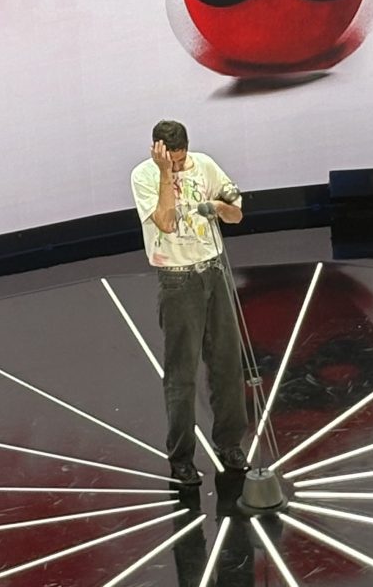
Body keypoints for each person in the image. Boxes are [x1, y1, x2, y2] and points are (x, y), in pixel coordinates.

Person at [129, 120, 248, 486]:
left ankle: (230, 444)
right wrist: (166, 174)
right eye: (173, 160)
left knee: (228, 363)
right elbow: (165, 222)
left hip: (214, 270)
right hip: (178, 279)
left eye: (181, 159)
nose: (180, 165)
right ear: (158, 151)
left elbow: (236, 214)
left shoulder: (205, 165)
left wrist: (219, 206)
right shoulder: (144, 176)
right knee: (181, 373)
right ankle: (181, 458)